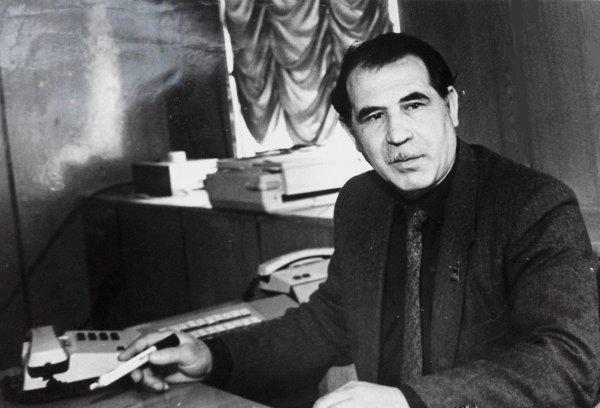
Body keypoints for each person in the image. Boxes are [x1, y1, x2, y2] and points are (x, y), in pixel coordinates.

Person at [120, 33, 600, 407]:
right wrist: (212, 356)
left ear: (450, 106)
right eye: (373, 117)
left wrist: (410, 402)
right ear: (352, 133)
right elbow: (327, 326)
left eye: (414, 105)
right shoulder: (361, 202)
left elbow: (571, 362)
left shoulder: (531, 204)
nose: (397, 135)